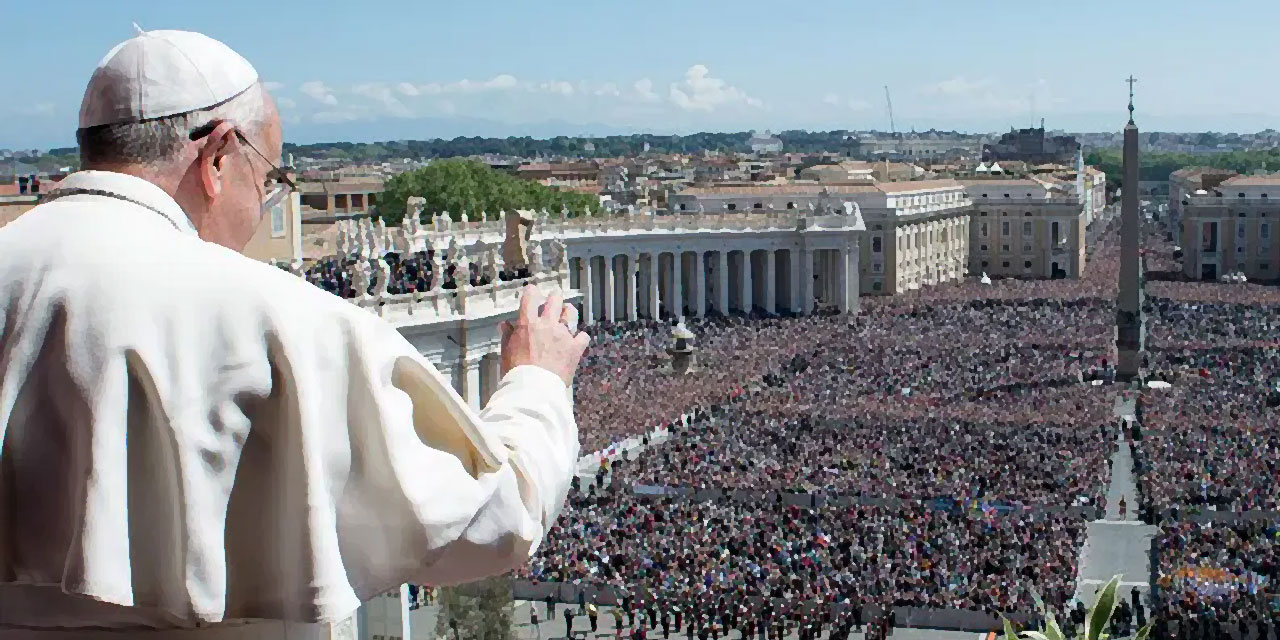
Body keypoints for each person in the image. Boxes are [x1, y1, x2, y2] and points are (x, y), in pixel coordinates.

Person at [0, 29, 589, 635]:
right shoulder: (286, 324)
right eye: (267, 180)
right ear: (219, 157)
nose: (262, 208)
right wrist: (537, 384)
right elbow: (492, 519)